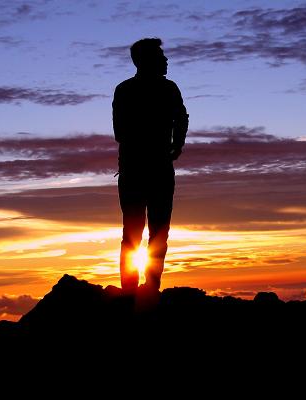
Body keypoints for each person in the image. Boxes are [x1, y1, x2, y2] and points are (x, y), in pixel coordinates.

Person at [112, 37, 188, 294]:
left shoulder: (131, 89)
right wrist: (173, 145)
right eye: (160, 56)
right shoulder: (131, 90)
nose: (166, 60)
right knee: (147, 232)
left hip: (145, 168)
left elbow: (181, 119)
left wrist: (176, 145)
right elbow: (121, 132)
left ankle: (142, 289)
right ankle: (139, 290)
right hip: (145, 169)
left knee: (149, 232)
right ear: (146, 60)